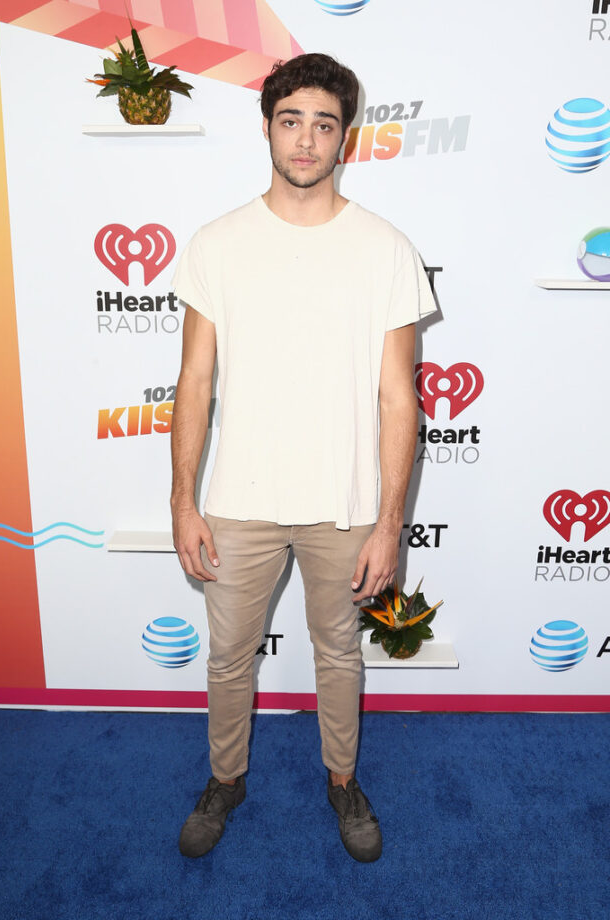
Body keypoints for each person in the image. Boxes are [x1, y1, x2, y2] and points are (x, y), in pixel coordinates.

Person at [170, 52, 437, 863]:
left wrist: (390, 522)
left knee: (338, 653)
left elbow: (400, 399)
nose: (307, 139)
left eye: (325, 124)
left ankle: (342, 781)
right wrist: (183, 502)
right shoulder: (217, 242)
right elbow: (194, 381)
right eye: (291, 120)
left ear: (343, 138)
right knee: (226, 658)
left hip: (344, 503)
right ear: (266, 128)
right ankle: (227, 778)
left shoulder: (386, 248)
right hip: (241, 498)